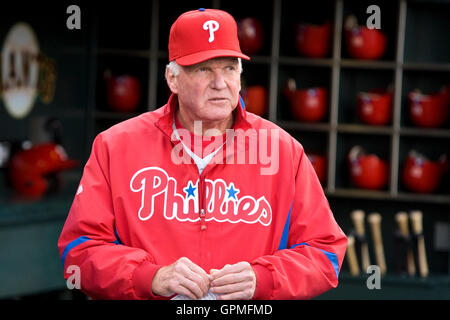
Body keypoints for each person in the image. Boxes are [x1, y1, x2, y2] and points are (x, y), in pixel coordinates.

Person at [58, 8, 347, 300]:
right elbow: (78, 252)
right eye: (204, 69)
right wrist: (149, 276)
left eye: (230, 68)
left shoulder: (283, 151)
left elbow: (326, 253)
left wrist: (264, 278)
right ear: (172, 79)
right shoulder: (115, 146)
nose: (220, 83)